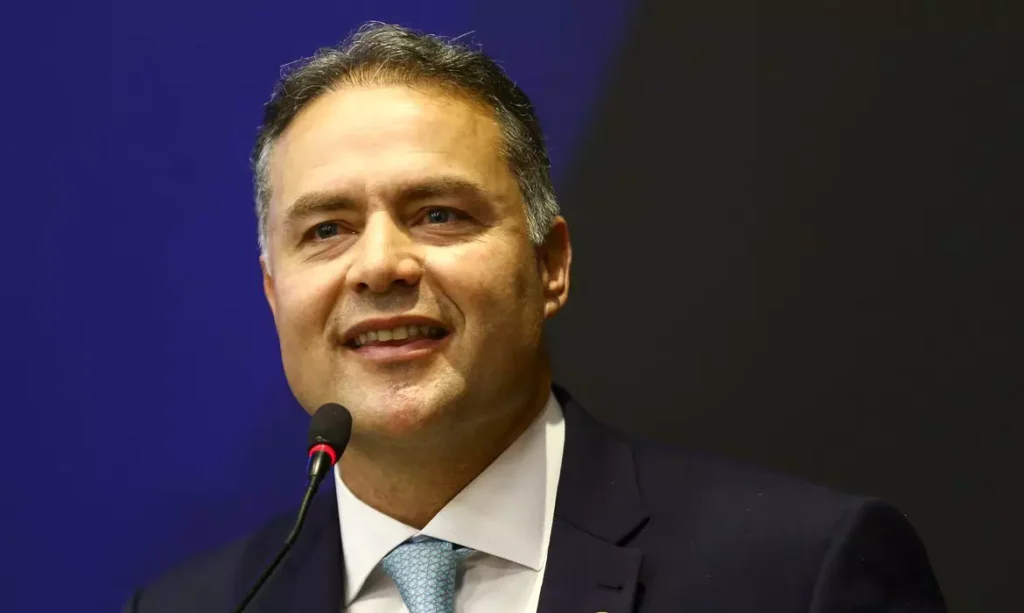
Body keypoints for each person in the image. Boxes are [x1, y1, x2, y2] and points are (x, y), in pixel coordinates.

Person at [124, 21, 946, 613]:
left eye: (439, 214)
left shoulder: (796, 573)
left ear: (550, 265)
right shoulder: (194, 603)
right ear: (275, 294)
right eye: (327, 230)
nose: (379, 266)